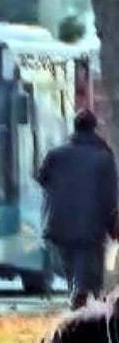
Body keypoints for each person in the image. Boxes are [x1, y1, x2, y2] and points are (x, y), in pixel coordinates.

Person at [36, 108, 118, 310]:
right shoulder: (103, 157)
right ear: (94, 127)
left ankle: (78, 303)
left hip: (59, 224)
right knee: (86, 277)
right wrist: (112, 224)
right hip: (91, 227)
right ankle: (81, 305)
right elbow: (110, 196)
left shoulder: (56, 155)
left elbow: (41, 178)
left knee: (72, 270)